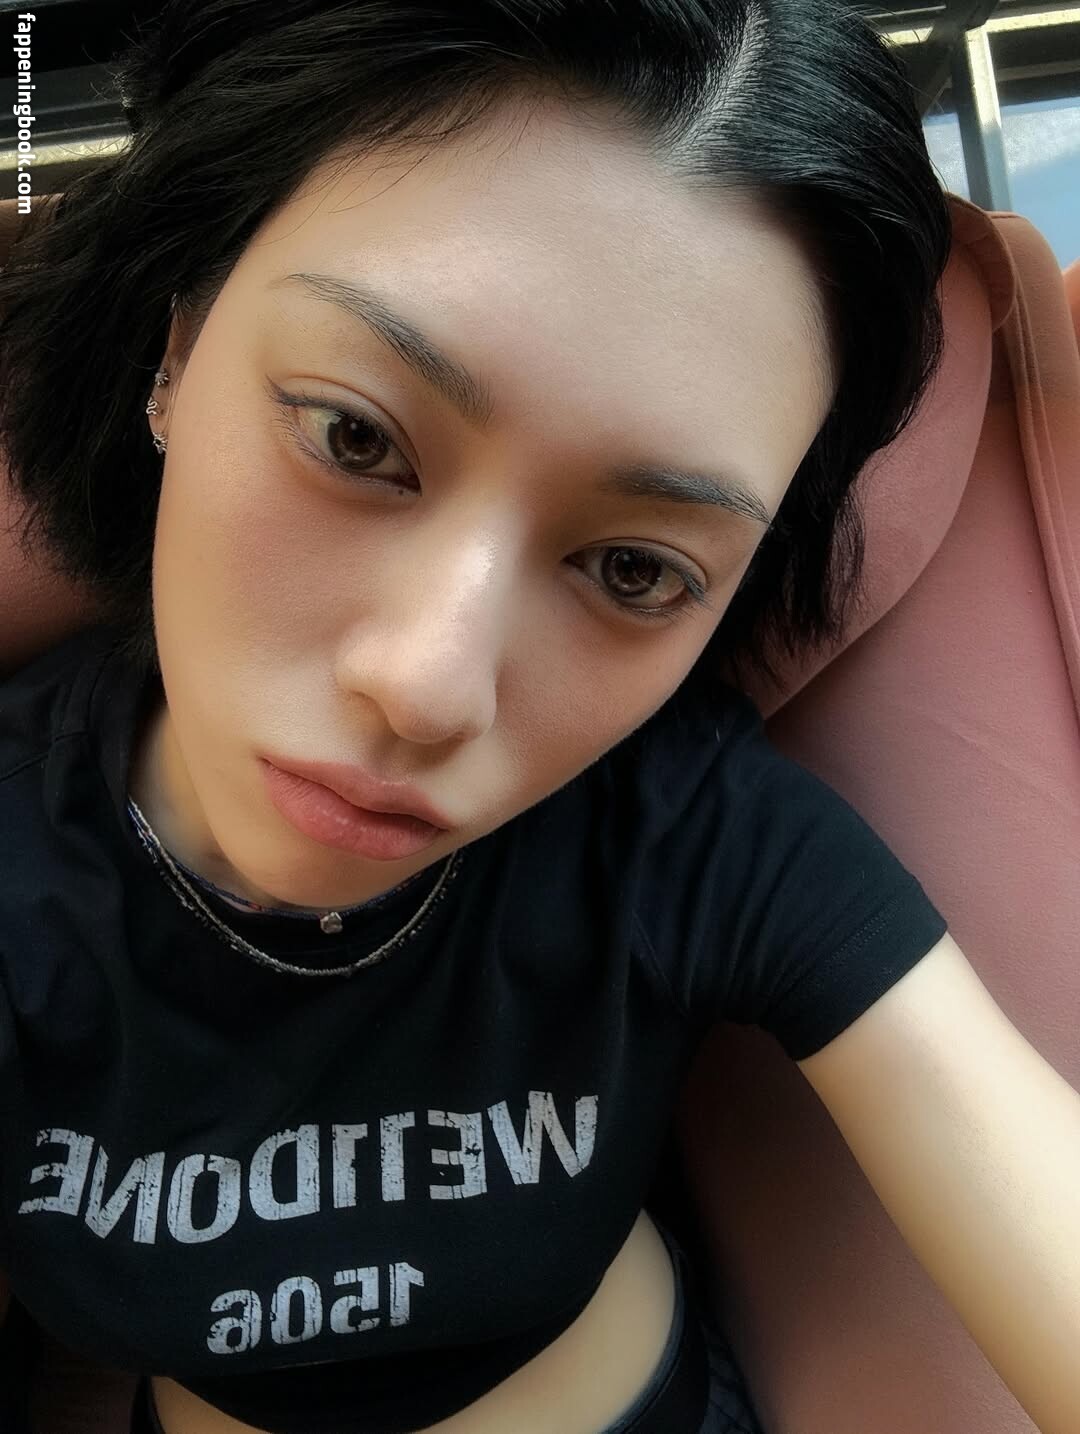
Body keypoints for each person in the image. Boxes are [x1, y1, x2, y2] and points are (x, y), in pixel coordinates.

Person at [1, 3, 1078, 1433]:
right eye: (354, 436)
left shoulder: (680, 827)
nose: (428, 685)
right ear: (178, 344)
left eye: (634, 570)